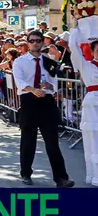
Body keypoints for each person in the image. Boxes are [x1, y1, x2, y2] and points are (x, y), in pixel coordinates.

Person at [12, 30, 75, 188]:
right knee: (28, 141)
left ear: (42, 42)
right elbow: (19, 82)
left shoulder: (49, 62)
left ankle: (61, 178)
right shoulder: (19, 62)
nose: (35, 43)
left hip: (46, 103)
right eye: (32, 40)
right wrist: (32, 90)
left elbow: (54, 83)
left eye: (38, 40)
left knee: (52, 142)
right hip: (29, 101)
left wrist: (49, 86)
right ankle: (26, 173)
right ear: (28, 43)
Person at [69, 32, 98, 186]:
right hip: (93, 103)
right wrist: (76, 30)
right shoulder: (86, 65)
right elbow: (73, 47)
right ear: (92, 52)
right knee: (94, 138)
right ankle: (95, 175)